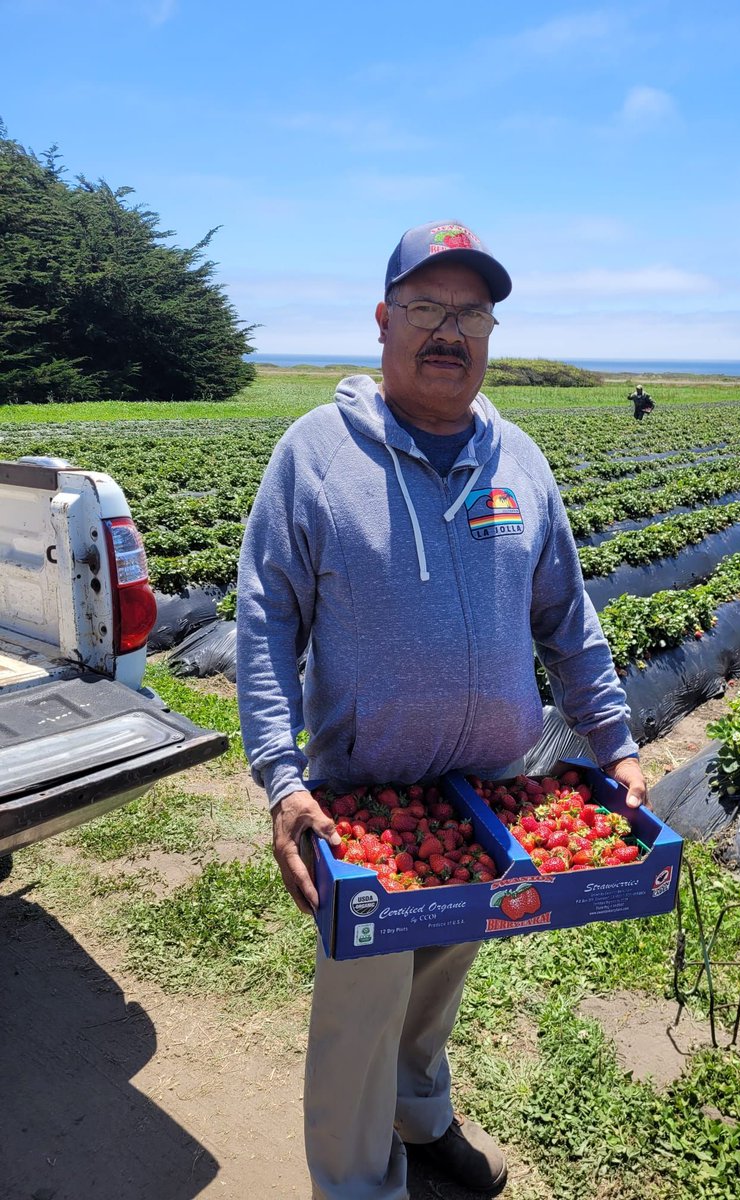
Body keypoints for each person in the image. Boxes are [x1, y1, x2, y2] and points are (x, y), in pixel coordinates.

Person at [236, 220, 646, 1200]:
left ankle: (422, 1123)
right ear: (384, 320)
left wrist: (617, 743)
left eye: (471, 310)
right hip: (365, 808)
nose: (449, 330)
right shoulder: (316, 458)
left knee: (436, 992)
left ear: (491, 331)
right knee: (362, 1013)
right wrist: (281, 780)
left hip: (489, 800)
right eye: (426, 306)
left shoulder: (522, 464)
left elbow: (567, 619)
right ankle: (356, 1182)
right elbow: (264, 623)